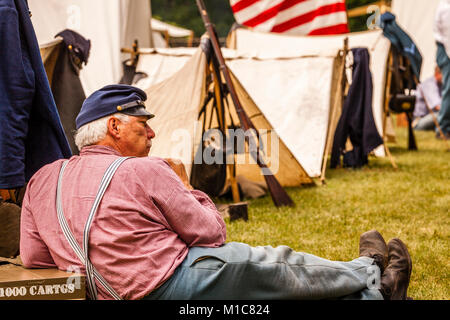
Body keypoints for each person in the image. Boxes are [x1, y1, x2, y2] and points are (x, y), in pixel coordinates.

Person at [20, 85, 413, 300]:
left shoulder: (42, 180)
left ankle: (373, 295)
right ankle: (371, 272)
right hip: (166, 284)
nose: (153, 132)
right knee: (268, 263)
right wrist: (186, 186)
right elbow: (211, 233)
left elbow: (36, 259)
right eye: (143, 122)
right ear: (115, 127)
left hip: (101, 294)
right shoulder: (145, 169)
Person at [434, 0, 450, 139]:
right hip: (446, 50)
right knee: (449, 89)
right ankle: (443, 128)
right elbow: (448, 37)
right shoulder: (446, 8)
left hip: (445, 49)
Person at [413, 67, 442, 131]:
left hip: (430, 118)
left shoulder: (441, 86)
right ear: (437, 74)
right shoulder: (429, 85)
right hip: (419, 121)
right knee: (442, 114)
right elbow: (438, 107)